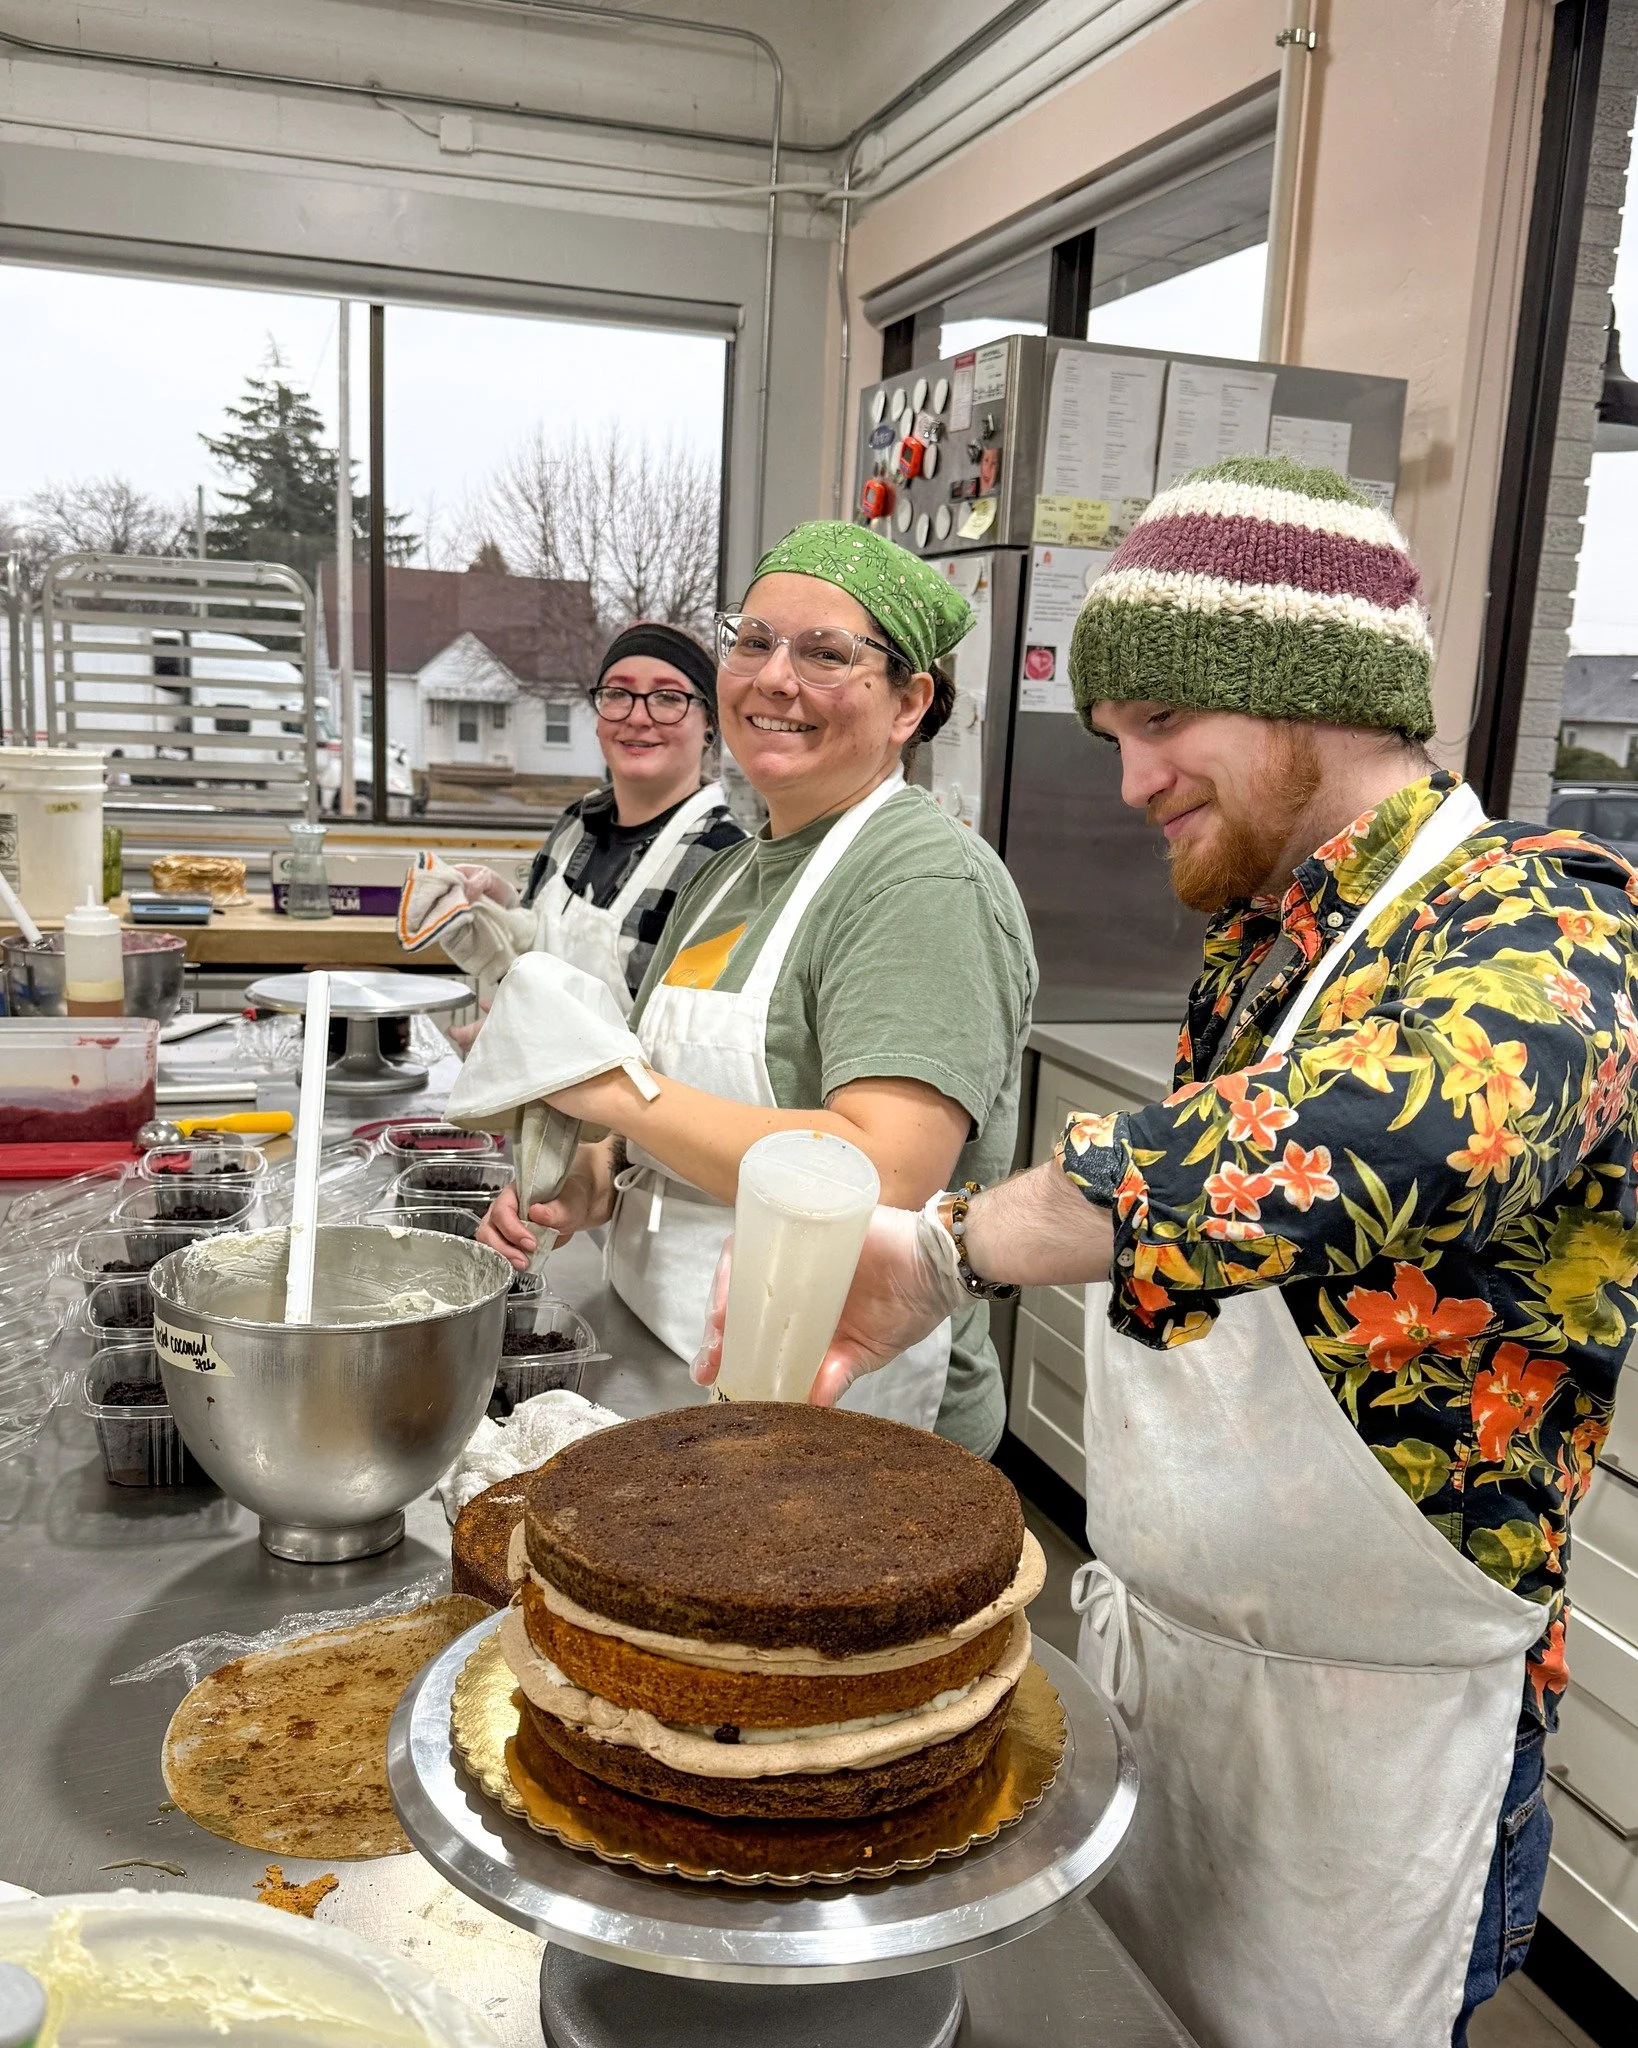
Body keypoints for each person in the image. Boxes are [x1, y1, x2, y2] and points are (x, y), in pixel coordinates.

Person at [696, 461, 1637, 2048]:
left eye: (1156, 727)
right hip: (1177, 1679)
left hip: (1377, 1750)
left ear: (1311, 697)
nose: (1132, 785)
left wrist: (953, 1245)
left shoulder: (1542, 925)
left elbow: (1396, 1133)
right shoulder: (1264, 946)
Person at [478, 521, 1037, 1453]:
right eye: (753, 641)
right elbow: (675, 1110)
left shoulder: (922, 883)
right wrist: (595, 1177)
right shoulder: (731, 875)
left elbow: (882, 1171)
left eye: (826, 653)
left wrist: (615, 1094)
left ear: (908, 704)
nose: (775, 678)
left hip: (848, 1420)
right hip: (677, 1365)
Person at [398, 623, 744, 1020]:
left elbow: (696, 1039)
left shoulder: (726, 860)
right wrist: (505, 906)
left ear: (710, 726)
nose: (637, 716)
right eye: (617, 694)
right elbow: (548, 953)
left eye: (667, 698)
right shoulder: (577, 823)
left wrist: (538, 1044)